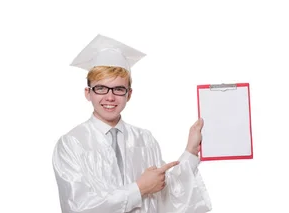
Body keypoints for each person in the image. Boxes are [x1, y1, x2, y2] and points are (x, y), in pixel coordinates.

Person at [51, 34, 212, 213]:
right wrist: (140, 188)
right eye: (101, 88)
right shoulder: (72, 143)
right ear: (88, 93)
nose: (110, 97)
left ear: (129, 94)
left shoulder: (145, 140)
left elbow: (167, 194)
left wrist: (190, 151)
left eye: (119, 89)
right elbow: (77, 207)